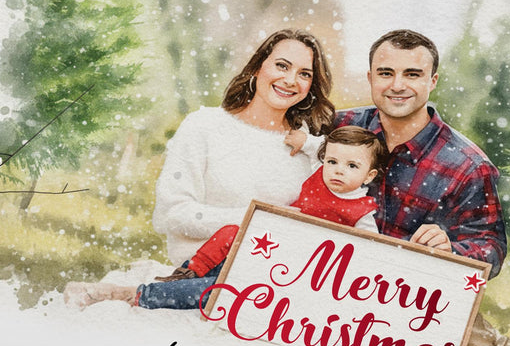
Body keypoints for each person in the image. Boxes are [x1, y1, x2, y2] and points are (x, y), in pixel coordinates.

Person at [332, 28, 510, 346]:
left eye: (412, 74)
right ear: (370, 77)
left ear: (432, 81)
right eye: (386, 73)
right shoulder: (338, 129)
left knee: (439, 325)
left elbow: (491, 247)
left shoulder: (466, 165)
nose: (397, 85)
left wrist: (452, 249)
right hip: (331, 280)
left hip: (406, 298)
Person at [65, 28, 334, 308]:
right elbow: (172, 214)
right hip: (199, 275)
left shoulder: (310, 147)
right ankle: (137, 295)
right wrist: (259, 219)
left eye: (305, 74)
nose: (290, 80)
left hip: (272, 279)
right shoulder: (204, 126)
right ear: (257, 67)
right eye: (282, 65)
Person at [124, 127, 389, 311]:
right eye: (332, 162)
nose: (338, 171)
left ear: (369, 176)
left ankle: (150, 295)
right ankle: (188, 272)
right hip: (272, 242)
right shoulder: (321, 170)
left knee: (227, 286)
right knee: (231, 232)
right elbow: (320, 147)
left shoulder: (362, 212)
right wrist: (304, 140)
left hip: (298, 267)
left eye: (352, 166)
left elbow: (373, 250)